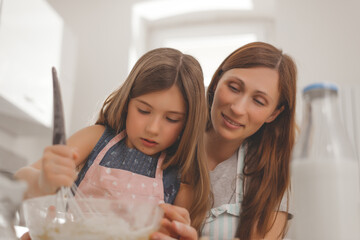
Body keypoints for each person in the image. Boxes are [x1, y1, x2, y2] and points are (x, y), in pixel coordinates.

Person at [15, 47, 211, 232]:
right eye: (143, 110)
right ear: (127, 103)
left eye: (171, 119)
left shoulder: (182, 177)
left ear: (188, 123)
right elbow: (20, 181)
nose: (152, 129)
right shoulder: (96, 138)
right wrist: (42, 182)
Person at [151, 41, 297, 240]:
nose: (237, 108)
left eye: (258, 101)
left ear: (274, 114)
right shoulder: (170, 130)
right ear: (218, 79)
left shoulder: (272, 172)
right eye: (234, 88)